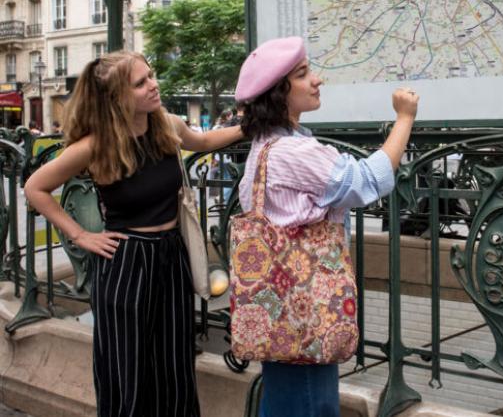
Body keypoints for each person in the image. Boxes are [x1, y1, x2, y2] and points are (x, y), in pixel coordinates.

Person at [24, 51, 243, 417]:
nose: (153, 85)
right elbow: (35, 188)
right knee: (128, 369)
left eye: (151, 76)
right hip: (126, 260)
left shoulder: (167, 125)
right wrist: (81, 235)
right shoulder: (96, 145)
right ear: (116, 98)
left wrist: (250, 126)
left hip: (172, 256)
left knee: (175, 364)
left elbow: (203, 143)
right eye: (140, 83)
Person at [233, 36, 419, 417]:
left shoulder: (265, 148)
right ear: (278, 93)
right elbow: (367, 180)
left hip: (281, 311)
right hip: (305, 312)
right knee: (308, 404)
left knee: (290, 400)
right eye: (303, 74)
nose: (316, 80)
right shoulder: (293, 152)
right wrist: (405, 118)